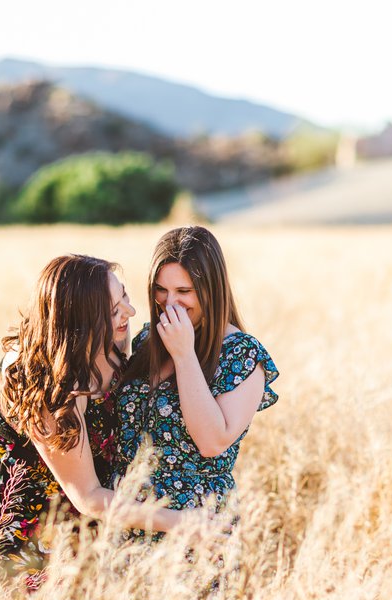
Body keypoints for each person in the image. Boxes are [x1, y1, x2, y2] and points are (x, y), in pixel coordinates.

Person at [0, 254, 198, 589]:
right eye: (114, 310)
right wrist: (185, 522)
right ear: (78, 321)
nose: (130, 314)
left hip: (85, 516)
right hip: (26, 525)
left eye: (125, 299)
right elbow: (88, 496)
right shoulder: (40, 379)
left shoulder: (108, 342)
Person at [112, 226, 279, 535]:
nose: (170, 302)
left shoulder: (242, 355)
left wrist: (184, 355)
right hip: (128, 519)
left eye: (183, 292)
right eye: (161, 290)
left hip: (196, 528)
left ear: (211, 290)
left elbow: (212, 442)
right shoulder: (149, 337)